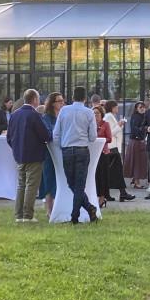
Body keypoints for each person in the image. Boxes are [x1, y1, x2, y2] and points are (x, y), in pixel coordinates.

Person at [54, 86, 99, 224]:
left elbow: (56, 134)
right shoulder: (89, 113)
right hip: (82, 150)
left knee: (72, 183)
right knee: (79, 184)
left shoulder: (64, 111)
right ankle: (87, 209)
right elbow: (93, 137)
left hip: (67, 150)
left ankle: (76, 215)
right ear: (85, 98)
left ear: (72, 97)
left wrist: (62, 146)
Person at [8, 89, 51, 222]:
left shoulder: (15, 114)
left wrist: (16, 149)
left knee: (21, 185)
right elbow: (45, 135)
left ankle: (18, 215)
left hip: (19, 155)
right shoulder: (34, 115)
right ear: (34, 100)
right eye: (38, 99)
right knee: (31, 185)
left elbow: (9, 137)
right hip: (34, 155)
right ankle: (28, 215)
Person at [38, 92, 63, 216]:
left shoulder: (63, 115)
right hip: (49, 153)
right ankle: (49, 209)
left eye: (62, 101)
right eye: (59, 101)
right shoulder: (46, 117)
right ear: (53, 103)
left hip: (62, 152)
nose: (62, 103)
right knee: (49, 179)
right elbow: (48, 134)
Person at [125, 101, 150, 190]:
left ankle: (135, 180)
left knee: (137, 162)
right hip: (136, 142)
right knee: (137, 162)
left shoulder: (143, 116)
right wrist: (145, 129)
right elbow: (136, 129)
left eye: (144, 107)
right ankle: (136, 182)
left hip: (139, 141)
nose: (143, 108)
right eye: (140, 107)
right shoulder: (136, 117)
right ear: (136, 109)